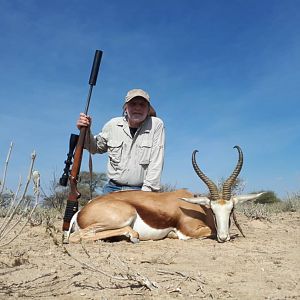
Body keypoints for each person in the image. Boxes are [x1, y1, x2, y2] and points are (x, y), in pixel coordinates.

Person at [77, 88, 165, 194]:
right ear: (125, 108)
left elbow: (156, 161)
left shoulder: (156, 125)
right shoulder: (112, 125)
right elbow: (94, 148)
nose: (138, 108)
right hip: (113, 188)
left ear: (148, 109)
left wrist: (146, 194)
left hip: (141, 190)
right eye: (133, 104)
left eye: (142, 104)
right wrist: (86, 130)